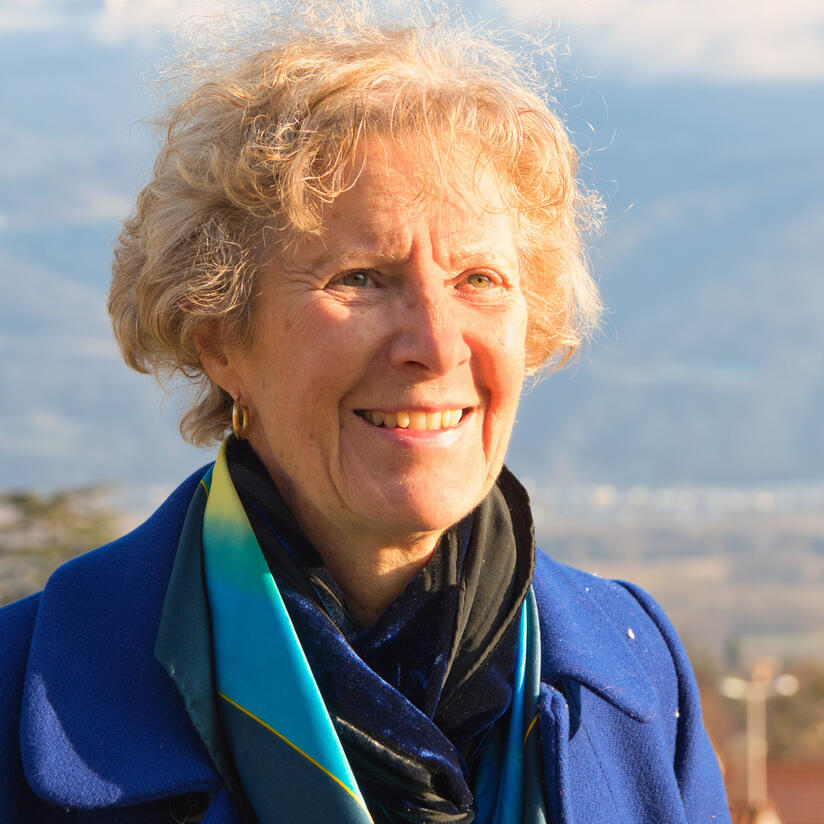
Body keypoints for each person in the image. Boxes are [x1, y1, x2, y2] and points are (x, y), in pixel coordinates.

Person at [0, 4, 731, 822]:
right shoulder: (20, 689)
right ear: (220, 338)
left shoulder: (635, 673)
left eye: (479, 280)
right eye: (361, 278)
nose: (437, 346)